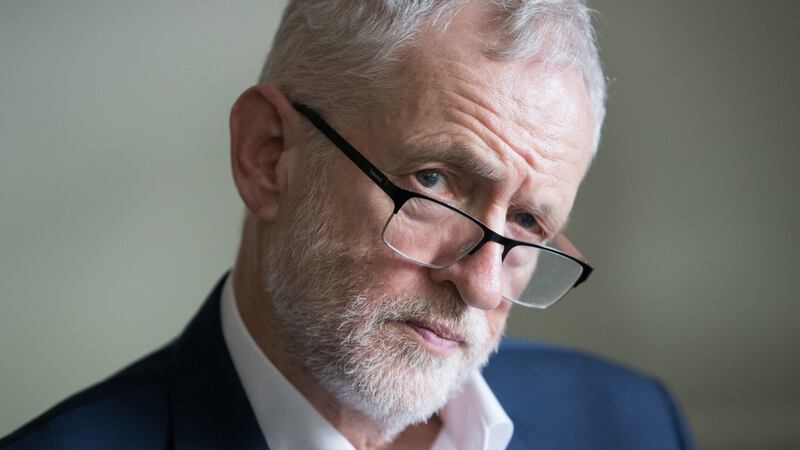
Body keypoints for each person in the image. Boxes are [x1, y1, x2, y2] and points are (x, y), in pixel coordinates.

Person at [0, 1, 695, 449]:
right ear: (267, 155)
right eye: (433, 181)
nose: (484, 287)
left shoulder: (631, 423)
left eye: (528, 221)